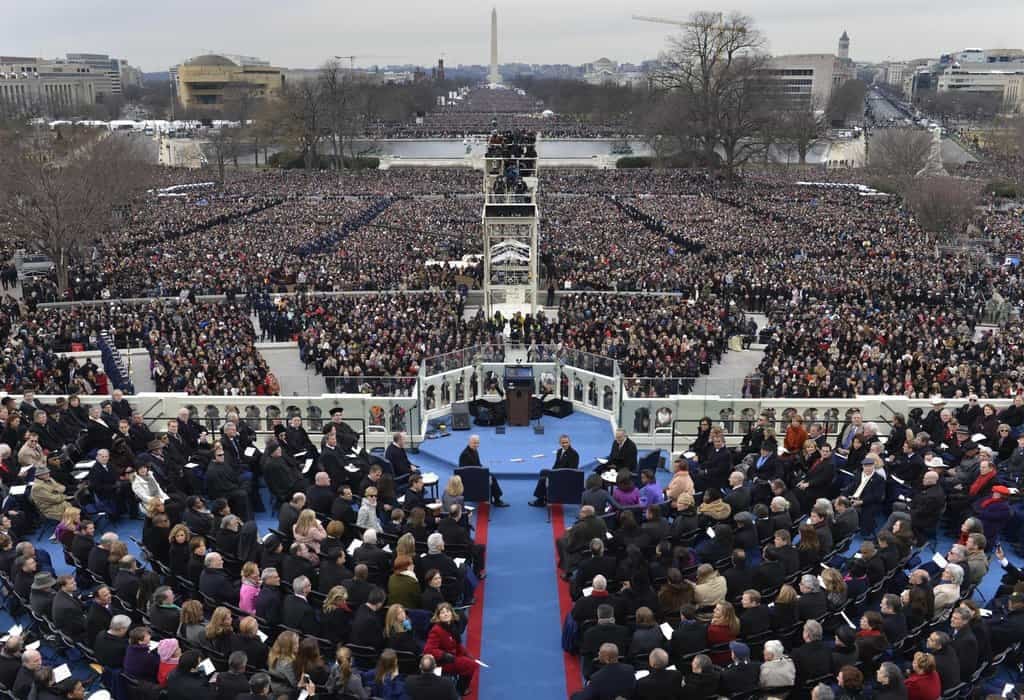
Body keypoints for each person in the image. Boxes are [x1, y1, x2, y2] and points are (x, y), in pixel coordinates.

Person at [423, 603, 476, 695]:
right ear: (438, 616)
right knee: (471, 665)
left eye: (448, 611)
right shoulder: (436, 630)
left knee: (470, 660)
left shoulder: (453, 626)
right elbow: (428, 650)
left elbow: (457, 645)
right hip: (443, 662)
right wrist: (443, 655)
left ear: (452, 613)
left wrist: (466, 653)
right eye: (442, 612)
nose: (446, 614)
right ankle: (462, 688)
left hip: (453, 656)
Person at [455, 434, 508, 507]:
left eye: (477, 443)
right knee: (492, 478)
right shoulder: (466, 455)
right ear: (469, 442)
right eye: (474, 443)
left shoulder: (474, 450)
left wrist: (483, 469)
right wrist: (483, 473)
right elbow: (466, 471)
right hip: (469, 477)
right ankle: (497, 500)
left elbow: (477, 464)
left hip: (475, 473)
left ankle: (496, 498)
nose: (476, 445)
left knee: (491, 476)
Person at [570, 643, 635, 700]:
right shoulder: (630, 669)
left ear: (606, 659)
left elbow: (585, 697)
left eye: (600, 652)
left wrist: (574, 696)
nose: (598, 654)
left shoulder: (597, 677)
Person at [531, 434, 580, 507]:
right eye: (563, 443)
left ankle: (540, 501)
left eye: (566, 442)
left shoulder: (574, 454)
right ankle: (544, 496)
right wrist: (552, 473)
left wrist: (554, 475)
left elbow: (571, 471)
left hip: (565, 477)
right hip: (557, 473)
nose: (565, 444)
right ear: (560, 443)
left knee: (543, 480)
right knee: (543, 471)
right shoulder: (560, 451)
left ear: (570, 442)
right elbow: (556, 464)